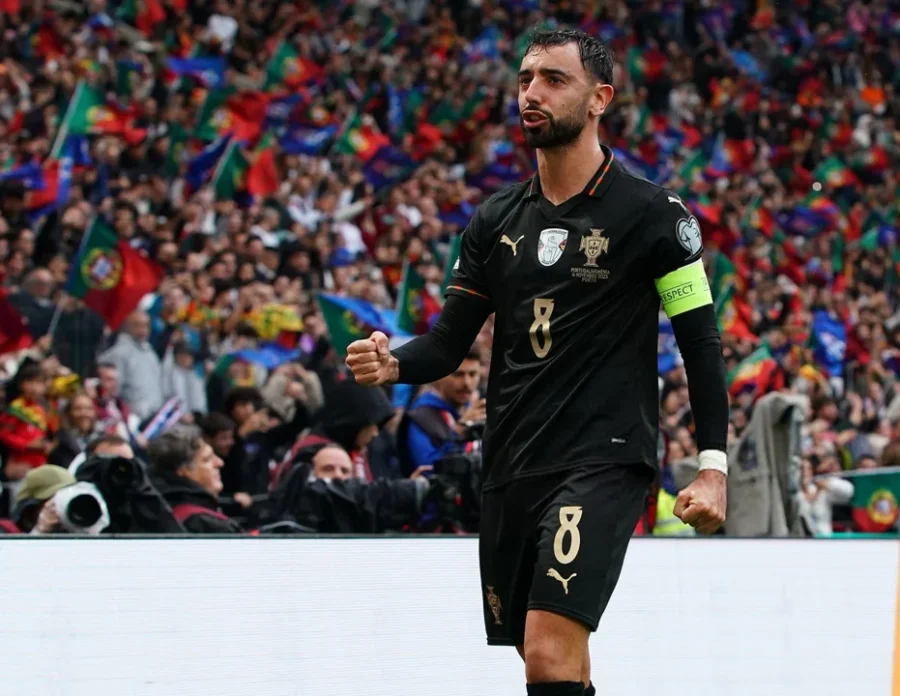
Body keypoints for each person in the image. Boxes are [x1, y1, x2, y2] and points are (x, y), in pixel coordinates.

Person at [346, 29, 728, 696]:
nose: (531, 93)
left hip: (603, 458)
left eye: (554, 79)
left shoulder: (656, 216)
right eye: (526, 79)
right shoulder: (495, 221)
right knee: (554, 660)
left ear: (599, 97)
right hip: (514, 459)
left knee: (549, 650)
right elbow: (444, 346)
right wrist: (392, 366)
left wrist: (714, 467)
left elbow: (700, 342)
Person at [397, 346, 485, 477]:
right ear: (439, 375)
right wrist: (459, 432)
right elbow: (428, 471)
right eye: (458, 375)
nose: (467, 383)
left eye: (472, 374)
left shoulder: (475, 411)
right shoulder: (420, 417)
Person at [147, 426, 243, 534]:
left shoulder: (155, 510)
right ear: (183, 471)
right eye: (207, 459)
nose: (220, 462)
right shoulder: (206, 525)